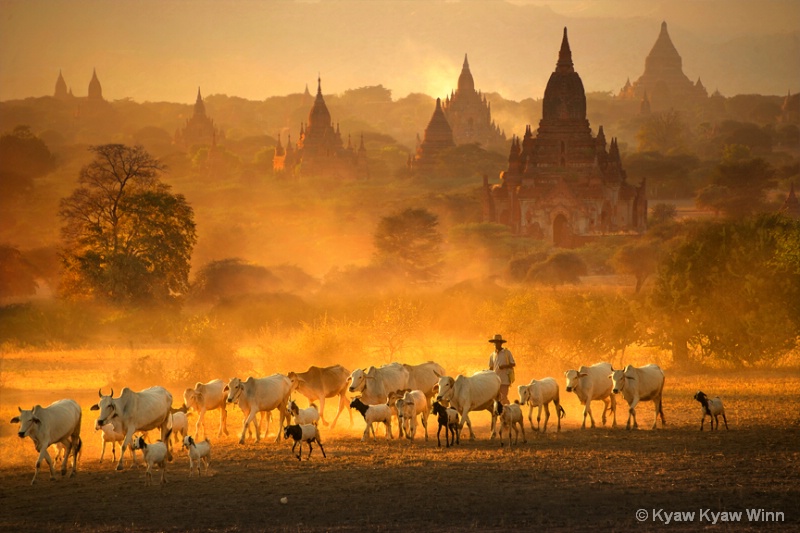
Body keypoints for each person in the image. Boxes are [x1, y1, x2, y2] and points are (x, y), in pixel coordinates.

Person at [488, 334, 516, 404]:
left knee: (503, 397)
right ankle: (502, 412)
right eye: (495, 343)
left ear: (501, 343)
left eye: (497, 342)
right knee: (496, 399)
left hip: (504, 380)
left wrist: (504, 366)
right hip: (495, 381)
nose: (496, 344)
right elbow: (491, 368)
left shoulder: (507, 352)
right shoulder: (492, 355)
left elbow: (513, 364)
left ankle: (508, 410)